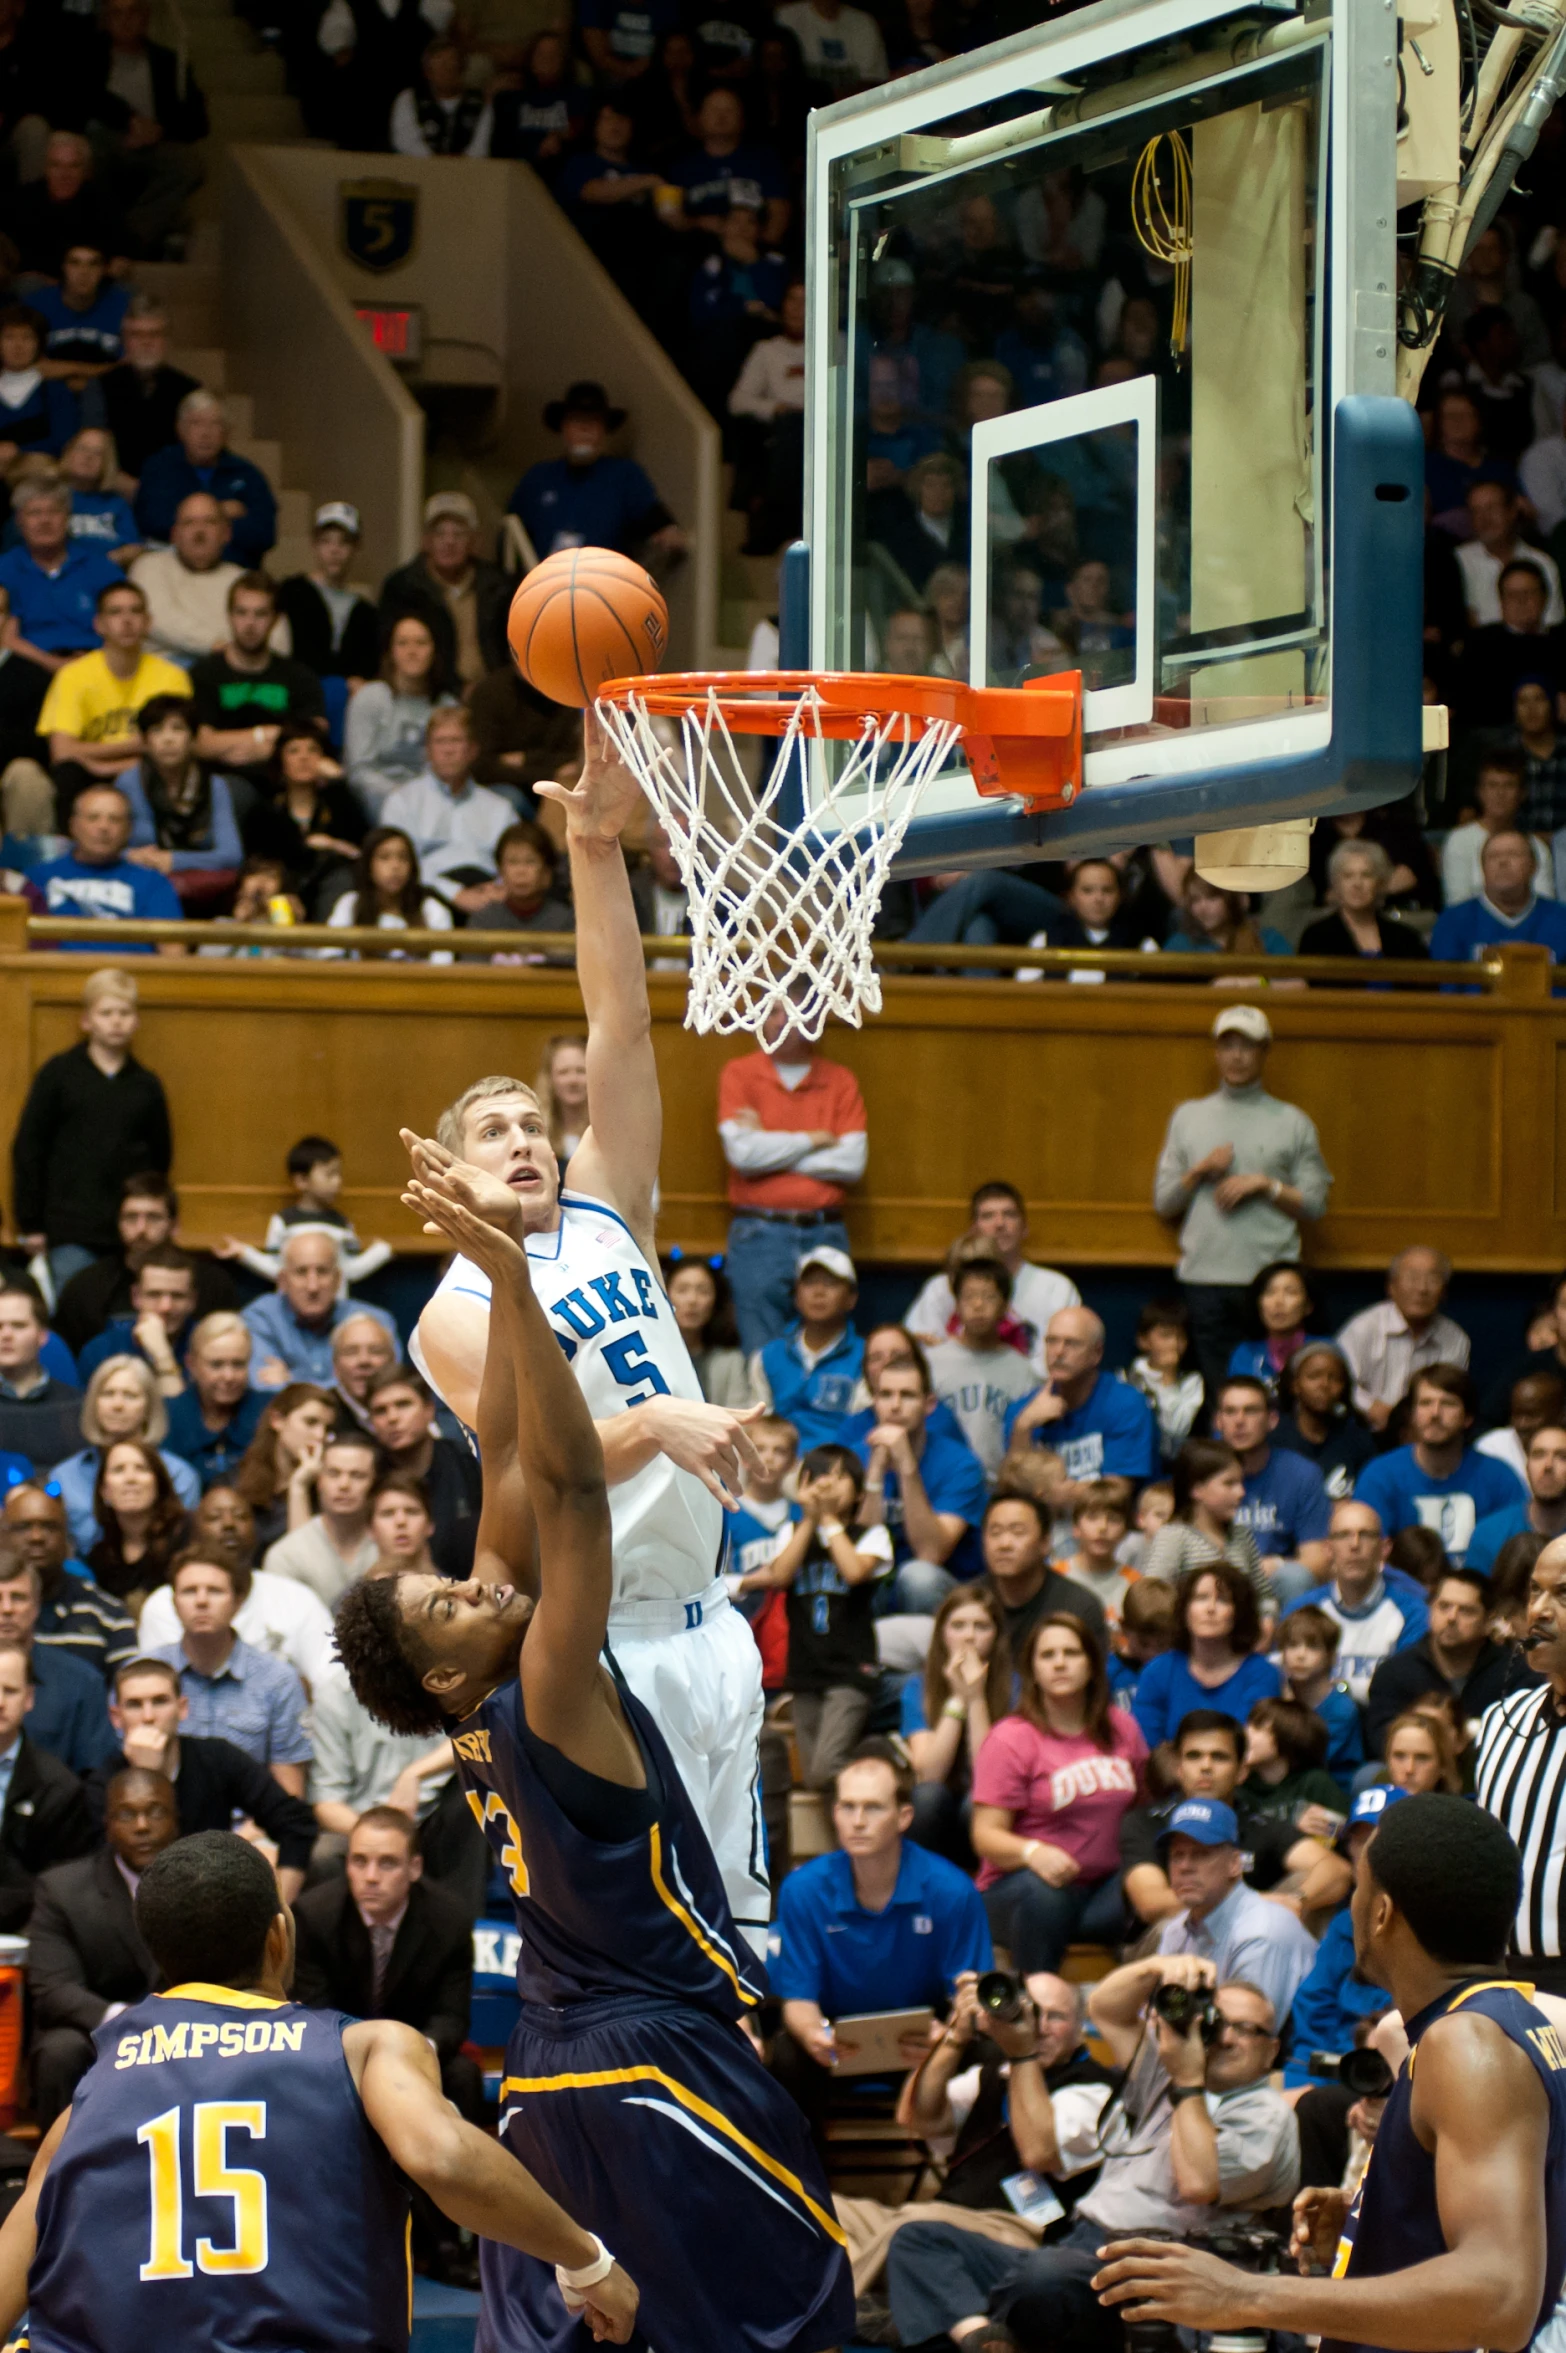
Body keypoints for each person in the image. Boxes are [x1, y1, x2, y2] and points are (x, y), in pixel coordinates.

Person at [332, 1153, 854, 2353]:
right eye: (450, 1604)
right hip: (653, 2059)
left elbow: (505, 1460)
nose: (473, 1585)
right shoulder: (552, 1683)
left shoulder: (476, 1692)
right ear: (449, 1670)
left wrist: (504, 1283)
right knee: (788, 2310)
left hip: (549, 2065)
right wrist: (513, 1271)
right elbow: (565, 1494)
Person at [406, 727, 777, 1952]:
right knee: (654, 1940)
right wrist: (661, 1420)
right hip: (603, 1642)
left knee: (746, 1946)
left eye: (531, 1119)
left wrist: (594, 844)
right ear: (452, 1174)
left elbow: (618, 1023)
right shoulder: (455, 1313)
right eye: (492, 1131)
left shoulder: (611, 1202)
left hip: (713, 1622)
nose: (523, 1137)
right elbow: (545, 1469)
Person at [7, 1828, 641, 2348]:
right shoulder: (364, 2049)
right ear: (280, 1937)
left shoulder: (85, 2104)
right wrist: (585, 2258)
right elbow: (443, 2157)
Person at [1091, 1797, 1566, 2353]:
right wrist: (1375, 2221)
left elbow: (1500, 2301)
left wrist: (1246, 2294)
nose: (1351, 1905)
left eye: (1358, 1888)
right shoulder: (1503, 2021)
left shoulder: (1468, 2043)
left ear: (1383, 1911)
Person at [887, 1960, 1297, 2353]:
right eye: (1217, 2021)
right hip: (1080, 2243)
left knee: (1044, 2279)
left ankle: (953, 2320)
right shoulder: (1163, 2074)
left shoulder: (1264, 2113)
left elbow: (1197, 2185)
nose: (1225, 2038)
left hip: (1155, 2268)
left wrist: (1188, 2084)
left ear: (1272, 2049)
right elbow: (1107, 2006)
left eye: (1247, 2030)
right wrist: (1159, 1967)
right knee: (919, 2238)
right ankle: (980, 2336)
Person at [838, 1970, 1118, 2324]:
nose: (1040, 2026)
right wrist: (955, 2036)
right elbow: (917, 2118)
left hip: (1016, 2232)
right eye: (1031, 2012)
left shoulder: (1099, 2089)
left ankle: (838, 2311)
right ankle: (900, 2303)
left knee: (913, 2224)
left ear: (1081, 2028)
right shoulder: (991, 2074)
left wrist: (1022, 2056)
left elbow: (1039, 2152)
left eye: (1056, 2017)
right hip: (943, 2220)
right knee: (821, 2209)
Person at [772, 1741, 991, 2070]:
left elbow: (970, 1995)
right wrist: (813, 2035)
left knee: (985, 2052)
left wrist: (948, 2037)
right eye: (847, 1807)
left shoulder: (952, 1891)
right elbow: (798, 1999)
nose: (857, 1821)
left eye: (873, 1807)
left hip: (926, 2039)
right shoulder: (803, 1890)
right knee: (788, 2053)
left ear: (904, 1817)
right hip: (835, 2039)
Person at [1152, 1005, 1334, 1400]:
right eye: (1227, 1045)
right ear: (1216, 1053)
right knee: (1222, 1397)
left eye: (1247, 1046)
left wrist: (1266, 1185)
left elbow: (1316, 1204)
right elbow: (1165, 1202)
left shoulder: (1293, 1121)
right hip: (1204, 1281)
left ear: (1265, 1052)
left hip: (1271, 1286)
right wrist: (1200, 1170)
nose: (1236, 1056)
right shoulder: (1188, 1117)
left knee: (1278, 1395)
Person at [972, 1611, 1144, 1971]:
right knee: (1046, 1895)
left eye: (1072, 1653)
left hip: (1103, 1890)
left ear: (1092, 1665)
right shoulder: (1012, 1738)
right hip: (1022, 1889)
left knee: (1148, 1881)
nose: (1060, 1663)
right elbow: (985, 1835)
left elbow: (1144, 1807)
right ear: (1032, 1670)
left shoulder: (1121, 1727)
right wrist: (1033, 1852)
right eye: (1048, 1656)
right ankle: (1037, 2003)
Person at [291, 1805, 480, 2125]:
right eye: (359, 1861)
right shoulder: (313, 1916)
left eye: (388, 1863)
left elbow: (450, 2017)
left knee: (464, 2076)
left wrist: (413, 2052)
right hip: (341, 2052)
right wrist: (367, 2055)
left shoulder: (451, 1922)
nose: (371, 1877)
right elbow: (316, 2014)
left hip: (416, 2050)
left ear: (415, 1867)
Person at [89, 1651, 316, 1893]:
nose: (148, 1717)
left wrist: (281, 1906)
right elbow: (111, 1867)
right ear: (116, 1717)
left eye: (160, 1701)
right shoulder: (103, 1784)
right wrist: (146, 1776)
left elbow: (297, 1822)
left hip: (213, 1897)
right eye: (134, 1705)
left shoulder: (217, 1758)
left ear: (182, 1708)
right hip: (130, 1910)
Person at [23, 1765, 175, 2125]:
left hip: (187, 2029)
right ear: (107, 1824)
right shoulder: (61, 1890)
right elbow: (54, 1988)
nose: (142, 1826)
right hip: (97, 2032)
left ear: (177, 1817)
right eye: (127, 1814)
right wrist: (125, 2021)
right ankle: (61, 2175)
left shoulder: (207, 1884)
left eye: (155, 1811)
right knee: (59, 2050)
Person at [717, 1000, 867, 1354]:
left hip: (825, 1229)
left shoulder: (840, 1080)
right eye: (774, 1011)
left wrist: (770, 1147)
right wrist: (814, 1139)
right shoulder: (739, 1074)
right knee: (761, 1355)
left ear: (817, 1019)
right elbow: (743, 1155)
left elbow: (852, 1162)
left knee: (829, 1349)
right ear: (761, 1020)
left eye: (796, 1010)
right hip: (759, 1234)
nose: (786, 1020)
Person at [10, 967, 170, 1292]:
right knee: (74, 1308)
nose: (116, 1021)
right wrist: (31, 1224)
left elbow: (160, 1157)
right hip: (69, 1230)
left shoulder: (146, 1085)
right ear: (86, 1021)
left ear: (136, 1020)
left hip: (130, 1234)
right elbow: (29, 1149)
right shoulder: (59, 1075)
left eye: (125, 1013)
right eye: (106, 1013)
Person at [745, 1442, 891, 1787]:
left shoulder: (872, 1534)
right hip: (805, 1670)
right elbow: (780, 1576)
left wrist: (827, 1518)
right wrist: (811, 1519)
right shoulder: (793, 1533)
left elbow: (855, 1572)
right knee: (813, 1777)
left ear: (858, 1493)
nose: (827, 1484)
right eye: (820, 1475)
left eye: (840, 1478)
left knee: (828, 1768)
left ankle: (882, 1761)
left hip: (851, 1671)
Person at [1118, 1708, 1331, 1927]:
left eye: (1219, 1757)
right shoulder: (1144, 1822)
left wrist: (1297, 1901)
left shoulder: (1256, 1821)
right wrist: (1254, 1903)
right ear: (1179, 1769)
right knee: (1177, 1922)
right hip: (1162, 1946)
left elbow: (1334, 1869)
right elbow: (1151, 1903)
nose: (1206, 1766)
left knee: (1309, 1887)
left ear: (1242, 1772)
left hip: (1247, 1937)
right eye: (1194, 1756)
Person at [1476, 1535, 1566, 1991]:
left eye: (1563, 1594)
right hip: (1496, 1972)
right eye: (1535, 1591)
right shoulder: (1500, 1719)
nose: (1540, 1611)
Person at [148, 1546, 312, 1791]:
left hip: (252, 1824)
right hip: (167, 1819)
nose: (201, 1601)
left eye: (214, 1591)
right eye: (189, 1591)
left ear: (238, 1602)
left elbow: (289, 1790)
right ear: (174, 1602)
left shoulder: (278, 1680)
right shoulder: (145, 1676)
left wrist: (247, 1831)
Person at [1154, 1795, 1319, 2015]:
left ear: (1234, 1864)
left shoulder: (1263, 1932)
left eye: (1201, 1854)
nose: (1184, 1867)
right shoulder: (1175, 1931)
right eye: (1176, 1855)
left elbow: (1245, 2039)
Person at [858, 1346, 990, 1613]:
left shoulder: (961, 1464)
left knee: (918, 1576)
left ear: (929, 1404)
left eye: (907, 1396)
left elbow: (931, 1553)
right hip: (877, 1583)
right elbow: (858, 1551)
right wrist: (875, 1474)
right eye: (885, 1395)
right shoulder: (855, 1455)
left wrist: (907, 1468)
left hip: (945, 1592)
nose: (895, 1405)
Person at [35, 577, 190, 805]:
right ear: (99, 624)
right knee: (69, 773)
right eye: (115, 612)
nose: (127, 621)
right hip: (89, 778)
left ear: (148, 622)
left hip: (151, 776)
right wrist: (137, 745)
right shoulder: (73, 675)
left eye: (135, 612)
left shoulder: (172, 676)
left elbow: (176, 749)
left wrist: (99, 762)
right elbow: (62, 752)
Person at [1355, 1364, 1527, 1562]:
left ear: (1468, 1417)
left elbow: (1517, 1555)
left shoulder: (1499, 1477)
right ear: (1412, 1415)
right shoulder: (1379, 1476)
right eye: (1425, 1403)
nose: (1435, 1413)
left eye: (1448, 1404)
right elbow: (1369, 1556)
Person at [908, 1182, 1080, 1377]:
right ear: (973, 1230)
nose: (999, 1224)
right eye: (988, 1216)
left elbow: (1065, 1358)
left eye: (1010, 1214)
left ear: (1025, 1227)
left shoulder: (1055, 1287)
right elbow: (918, 1352)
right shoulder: (942, 1287)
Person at [509, 380, 687, 566]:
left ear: (604, 430)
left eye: (593, 422)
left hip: (605, 583)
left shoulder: (624, 476)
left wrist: (668, 530)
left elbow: (652, 515)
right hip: (544, 583)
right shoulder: (538, 478)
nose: (585, 430)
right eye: (577, 420)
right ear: (563, 427)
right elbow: (511, 537)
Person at [1279, 1498, 1429, 1701]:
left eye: (1365, 1535)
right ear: (1328, 1549)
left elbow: (1407, 1693)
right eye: (1343, 1536)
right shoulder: (1300, 1610)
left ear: (1384, 1548)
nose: (1354, 1545)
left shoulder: (1413, 1614)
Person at [1001, 1308, 1159, 1501]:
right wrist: (1023, 1427)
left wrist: (1050, 1492)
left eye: (1072, 1343)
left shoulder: (1126, 1404)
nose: (1058, 1352)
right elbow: (1015, 1496)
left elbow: (1117, 1492)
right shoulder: (1023, 1411)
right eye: (1052, 1341)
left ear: (1097, 1353)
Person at [904, 1583, 1010, 1869]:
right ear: (942, 1633)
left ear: (996, 1634)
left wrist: (976, 1697)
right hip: (937, 1814)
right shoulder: (918, 1687)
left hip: (994, 1813)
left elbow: (988, 1775)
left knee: (974, 1804)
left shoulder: (1015, 1688)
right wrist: (957, 1698)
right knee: (927, 1797)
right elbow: (929, 1773)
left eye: (981, 1626)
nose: (968, 1636)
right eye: (958, 1625)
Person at [188, 570, 326, 787]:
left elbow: (314, 736)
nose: (250, 623)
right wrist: (264, 735)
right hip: (223, 782)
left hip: (286, 782)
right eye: (241, 613)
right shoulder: (205, 673)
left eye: (260, 614)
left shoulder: (299, 676)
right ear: (229, 616)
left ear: (275, 619)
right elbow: (201, 744)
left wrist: (237, 745)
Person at [1131, 1563, 1282, 1750]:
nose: (1210, 1608)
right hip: (1169, 1776)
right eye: (1200, 1598)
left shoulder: (1262, 1674)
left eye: (1223, 1600)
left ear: (1239, 1612)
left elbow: (1252, 1747)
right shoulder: (1158, 1671)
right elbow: (1146, 1747)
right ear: (1185, 1610)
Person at [0, 1639, 96, 1930]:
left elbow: (62, 1888)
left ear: (29, 1698)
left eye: (10, 1691)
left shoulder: (59, 1787)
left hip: (29, 1932)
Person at [378, 490, 513, 691]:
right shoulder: (402, 588)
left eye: (458, 533)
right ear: (426, 540)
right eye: (440, 533)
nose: (449, 541)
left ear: (474, 541)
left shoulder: (499, 586)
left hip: (492, 696)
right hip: (429, 695)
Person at [1210, 1376, 1334, 1595]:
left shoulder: (1302, 1474)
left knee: (1295, 1577)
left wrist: (1277, 1564)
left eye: (1250, 1411)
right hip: (1211, 1581)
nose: (1239, 1421)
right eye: (1230, 1411)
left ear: (1272, 1419)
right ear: (1218, 1421)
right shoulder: (1200, 1472)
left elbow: (1318, 1560)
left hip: (1275, 1583)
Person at [379, 704, 515, 899]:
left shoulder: (500, 809)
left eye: (456, 740)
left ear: (472, 749)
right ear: (427, 750)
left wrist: (495, 891)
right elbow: (397, 866)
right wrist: (454, 893)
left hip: (490, 899)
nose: (448, 750)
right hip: (425, 897)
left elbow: (515, 862)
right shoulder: (402, 802)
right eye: (440, 741)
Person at [23, 779, 183, 941]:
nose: (104, 827)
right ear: (73, 826)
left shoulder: (153, 883)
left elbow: (173, 955)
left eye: (114, 819)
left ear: (129, 830)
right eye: (93, 818)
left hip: (128, 966)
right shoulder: (37, 878)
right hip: (54, 965)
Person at [362, 1365, 483, 1577]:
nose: (392, 1418)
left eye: (403, 1405)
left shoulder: (468, 1463)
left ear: (429, 1410)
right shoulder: (367, 1476)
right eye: (380, 1410)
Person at [134, 390, 275, 569]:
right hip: (173, 567)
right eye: (196, 423)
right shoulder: (159, 468)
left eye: (214, 424)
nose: (205, 433)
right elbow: (152, 521)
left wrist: (194, 524)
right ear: (181, 429)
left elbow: (265, 534)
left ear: (226, 432)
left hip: (234, 569)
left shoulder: (247, 473)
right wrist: (220, 511)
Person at [927, 1255, 1041, 1476]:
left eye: (989, 1297)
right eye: (969, 1297)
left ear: (1006, 1306)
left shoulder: (1023, 1371)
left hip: (1000, 1483)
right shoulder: (931, 1363)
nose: (978, 1305)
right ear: (957, 1305)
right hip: (942, 1480)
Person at [240, 1232, 397, 1391]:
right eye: (301, 1272)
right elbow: (264, 1384)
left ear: (338, 1280)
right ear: (283, 1280)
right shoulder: (260, 1317)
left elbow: (384, 1386)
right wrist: (341, 1384)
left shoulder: (375, 1322)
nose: (313, 1286)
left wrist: (292, 1380)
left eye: (322, 1272)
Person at [1337, 1246, 1471, 1429]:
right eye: (1412, 1278)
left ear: (1444, 1292)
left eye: (1432, 1279)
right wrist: (1372, 1407)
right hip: (1363, 1428)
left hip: (1426, 1431)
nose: (1422, 1288)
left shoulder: (1455, 1339)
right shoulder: (1362, 1329)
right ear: (1391, 1287)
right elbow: (1341, 1382)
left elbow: (1451, 1393)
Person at [0, 480, 125, 676]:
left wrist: (92, 661)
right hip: (29, 664)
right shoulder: (5, 569)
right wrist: (53, 664)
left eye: (54, 512)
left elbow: (122, 624)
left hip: (97, 661)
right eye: (34, 513)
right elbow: (7, 638)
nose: (45, 521)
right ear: (19, 521)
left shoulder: (100, 568)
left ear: (67, 518)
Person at [343, 612, 456, 819]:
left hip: (433, 798)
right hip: (378, 796)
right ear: (391, 652)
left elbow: (454, 769)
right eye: (402, 643)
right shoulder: (370, 698)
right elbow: (359, 770)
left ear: (435, 651)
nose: (412, 651)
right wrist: (401, 795)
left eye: (421, 643)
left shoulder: (447, 706)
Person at [750, 1244, 863, 1448]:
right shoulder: (768, 1356)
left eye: (830, 1283)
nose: (819, 1292)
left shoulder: (866, 1357)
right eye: (809, 1283)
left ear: (851, 1298)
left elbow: (861, 1430)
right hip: (777, 1464)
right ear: (797, 1296)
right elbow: (758, 1424)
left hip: (838, 1465)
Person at [978, 1488, 1109, 1660]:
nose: (1004, 1544)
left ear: (1045, 1543)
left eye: (1017, 1532)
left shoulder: (1078, 1607)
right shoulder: (967, 1604)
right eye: (995, 1533)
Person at [261, 1426, 378, 1606]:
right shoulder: (286, 1555)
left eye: (357, 1475)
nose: (344, 1485)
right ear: (319, 1481)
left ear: (375, 1483)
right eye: (333, 1473)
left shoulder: (394, 1545)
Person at [128, 491, 245, 669]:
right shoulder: (149, 566)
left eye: (209, 522)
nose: (199, 531)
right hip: (162, 675)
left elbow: (274, 638)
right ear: (174, 534)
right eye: (189, 523)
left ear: (226, 533)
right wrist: (221, 646)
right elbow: (160, 620)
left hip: (226, 675)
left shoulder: (242, 580)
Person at [1142, 1438, 1265, 1598]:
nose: (1241, 1492)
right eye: (1229, 1483)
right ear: (1196, 1489)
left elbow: (1264, 1596)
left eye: (1241, 1483)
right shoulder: (1174, 1537)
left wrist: (1267, 1616)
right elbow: (1152, 1597)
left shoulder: (1242, 1535)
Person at [275, 501, 379, 686]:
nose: (334, 550)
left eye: (343, 542)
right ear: (314, 545)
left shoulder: (365, 613)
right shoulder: (292, 592)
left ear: (356, 547)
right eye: (326, 541)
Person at [97, 297, 198, 487]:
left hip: (172, 487)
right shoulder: (101, 385)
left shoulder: (190, 390)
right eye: (136, 335)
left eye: (155, 334)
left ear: (167, 340)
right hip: (113, 487)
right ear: (125, 341)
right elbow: (95, 443)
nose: (146, 342)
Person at [1430, 826, 1566, 963]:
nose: (1503, 862)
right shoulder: (1452, 922)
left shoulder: (1561, 919)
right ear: (1483, 868)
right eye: (1493, 856)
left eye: (1513, 854)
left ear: (1534, 866)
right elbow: (1448, 981)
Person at [162, 1311, 265, 1487]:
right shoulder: (166, 1417)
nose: (228, 1376)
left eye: (238, 1364)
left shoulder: (267, 1412)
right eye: (216, 1365)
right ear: (191, 1365)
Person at [324, 824, 456, 959]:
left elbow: (442, 968)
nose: (395, 866)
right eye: (384, 857)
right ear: (368, 866)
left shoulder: (432, 910)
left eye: (403, 858)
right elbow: (330, 958)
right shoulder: (350, 904)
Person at [1298, 837, 1432, 967]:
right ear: (1336, 884)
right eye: (1348, 876)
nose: (1357, 884)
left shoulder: (1406, 938)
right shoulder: (1316, 937)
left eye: (1366, 875)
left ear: (1379, 883)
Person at [1278, 1604, 1365, 1781]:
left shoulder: (1341, 1708)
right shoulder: (1275, 1694)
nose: (1300, 1655)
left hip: (1330, 1787)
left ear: (1331, 1657)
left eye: (1312, 1647)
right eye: (1293, 1645)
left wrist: (1286, 1713)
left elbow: (1307, 1760)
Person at [1466, 1418, 1566, 1568]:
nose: (1548, 1465)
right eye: (1539, 1455)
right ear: (1526, 1467)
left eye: (1562, 1456)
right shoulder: (1489, 1534)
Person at [0, 1290, 80, 1471]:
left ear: (42, 1336)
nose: (6, 1335)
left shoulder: (75, 1405)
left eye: (18, 1326)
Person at [1125, 1298, 1206, 1463]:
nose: (1174, 1344)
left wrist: (1169, 1378)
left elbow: (1175, 1430)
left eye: (1180, 1337)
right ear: (1143, 1341)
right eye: (1166, 1335)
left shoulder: (1192, 1382)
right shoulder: (1125, 1379)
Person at [665, 1257, 750, 1408]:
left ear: (715, 1301)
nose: (692, 1300)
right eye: (682, 1290)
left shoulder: (730, 1362)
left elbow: (738, 1418)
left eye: (703, 1291)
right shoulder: (651, 1356)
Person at [1226, 1262, 1325, 1390]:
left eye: (1290, 1292)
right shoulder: (1244, 1354)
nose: (1278, 1302)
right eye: (1269, 1292)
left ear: (1308, 1305)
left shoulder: (1324, 1352)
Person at [390, 33, 493, 153]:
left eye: (451, 65)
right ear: (428, 72)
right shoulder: (409, 98)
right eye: (441, 66)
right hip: (418, 168)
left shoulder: (479, 101)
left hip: (470, 169)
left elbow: (480, 146)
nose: (447, 72)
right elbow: (405, 142)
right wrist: (437, 167)